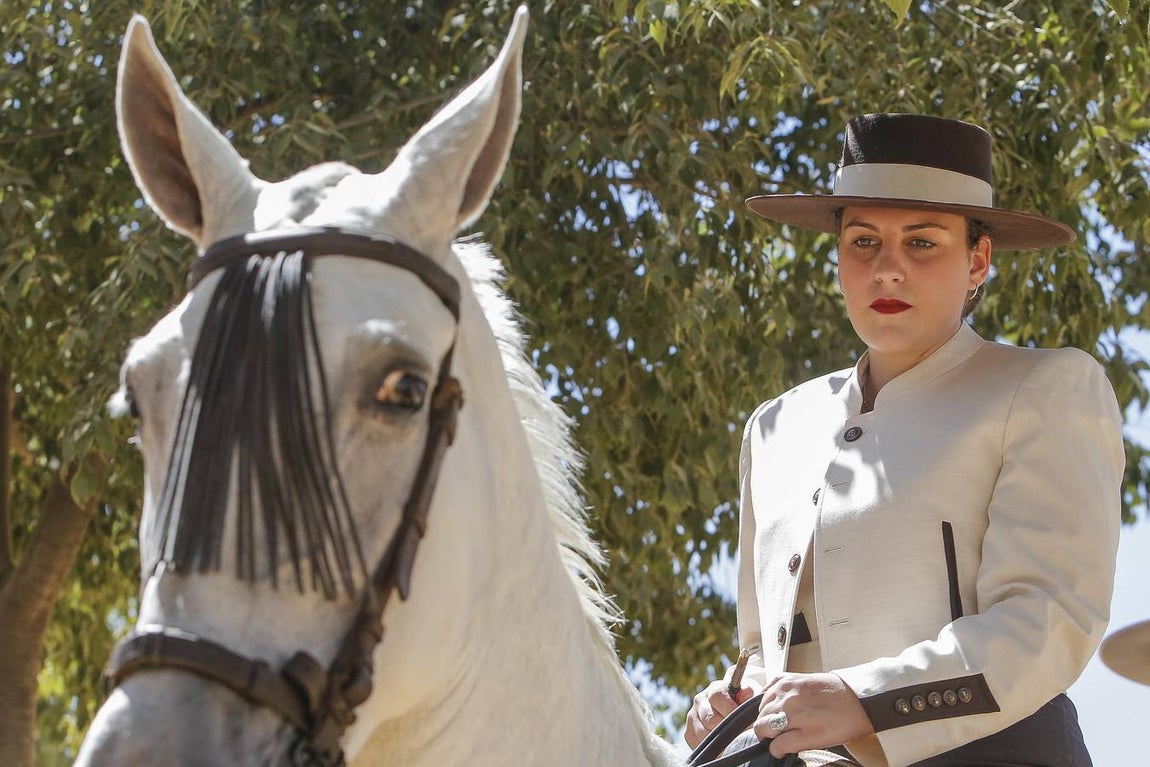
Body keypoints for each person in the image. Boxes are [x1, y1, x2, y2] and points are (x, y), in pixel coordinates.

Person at [685, 113, 1124, 767]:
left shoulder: (1042, 388)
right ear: (837, 255)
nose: (886, 269)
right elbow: (763, 645)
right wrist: (728, 699)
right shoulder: (775, 425)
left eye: (921, 243)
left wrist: (865, 698)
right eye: (863, 242)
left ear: (978, 259)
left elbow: (1048, 616)